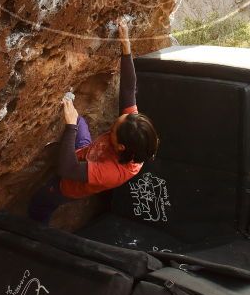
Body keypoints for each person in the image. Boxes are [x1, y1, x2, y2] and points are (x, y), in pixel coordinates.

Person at [27, 18, 159, 224]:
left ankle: (35, 233)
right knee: (80, 121)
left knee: (41, 202)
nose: (112, 126)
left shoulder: (114, 172)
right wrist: (126, 46)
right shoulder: (133, 128)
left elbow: (67, 169)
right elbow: (128, 89)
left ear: (121, 147)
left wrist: (70, 127)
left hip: (69, 183)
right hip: (88, 152)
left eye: (113, 130)